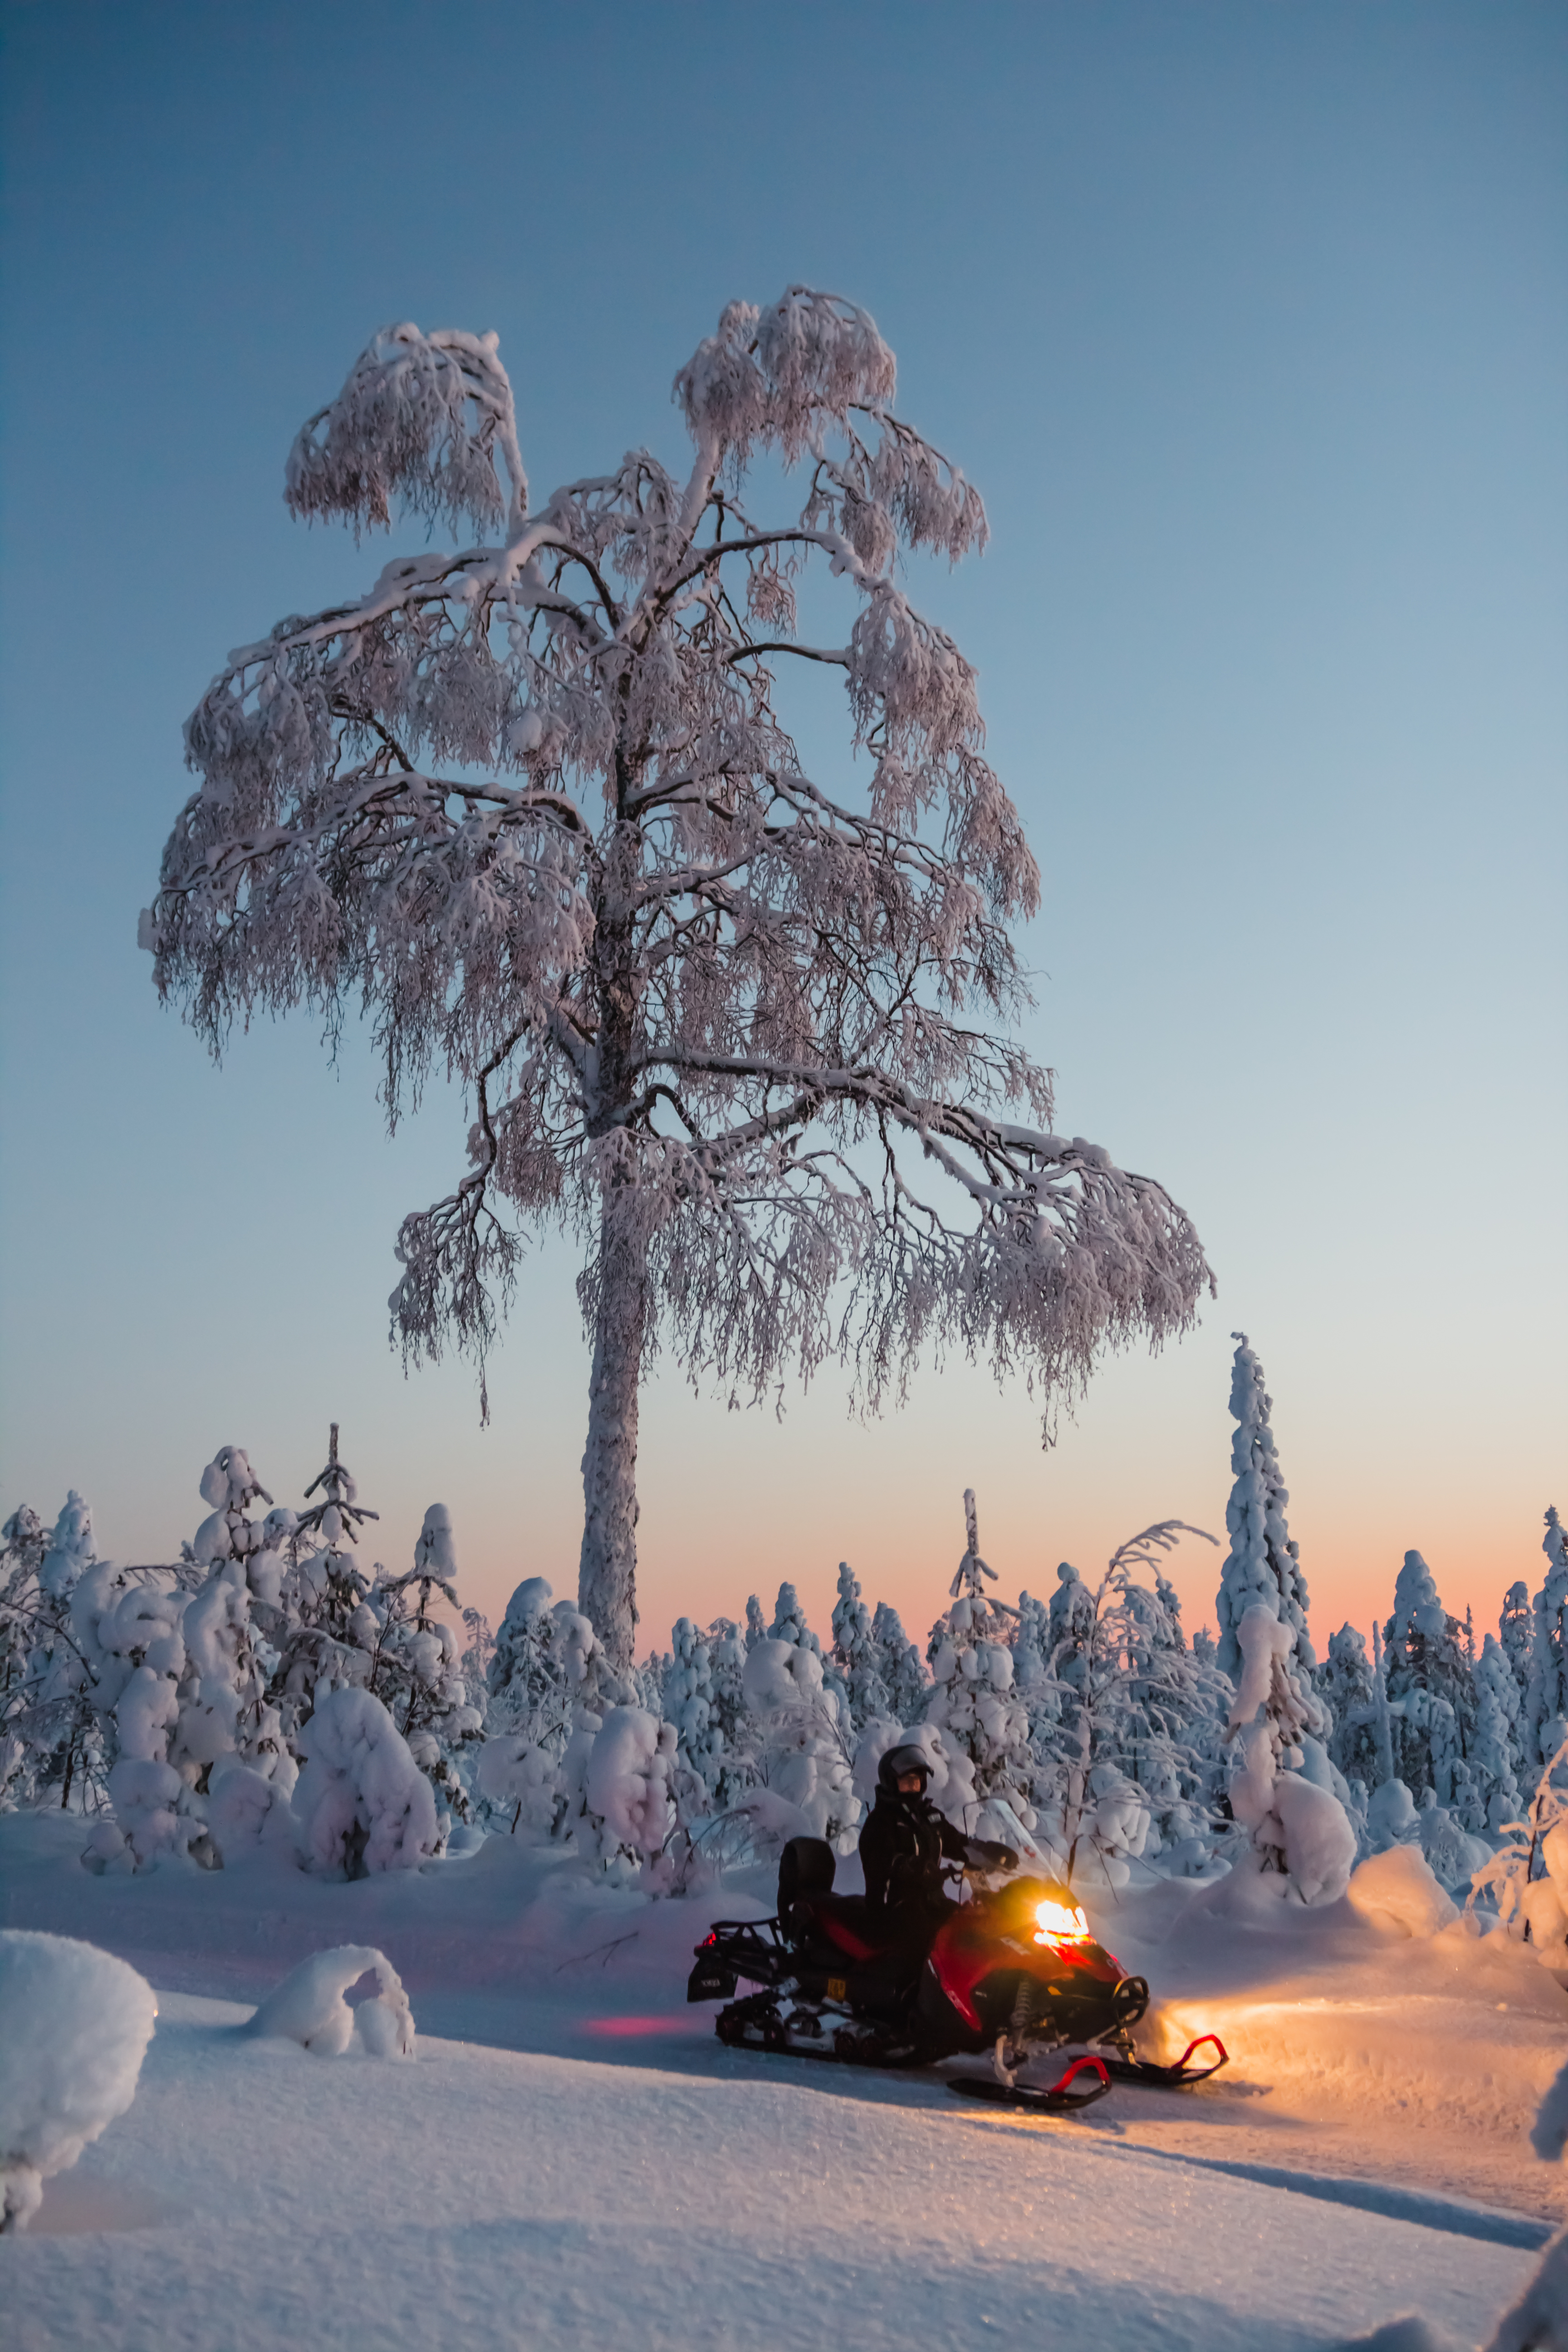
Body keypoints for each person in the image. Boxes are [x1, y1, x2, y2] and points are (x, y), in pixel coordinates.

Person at [858, 1743, 1016, 1943]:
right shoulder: (881, 1821)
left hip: (930, 1903)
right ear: (891, 1782)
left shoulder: (929, 1817)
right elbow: (880, 1862)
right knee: (939, 1941)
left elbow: (957, 1842)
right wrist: (913, 1867)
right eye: (907, 1781)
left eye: (917, 1781)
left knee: (974, 1931)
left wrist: (987, 1852)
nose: (913, 1786)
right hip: (892, 1911)